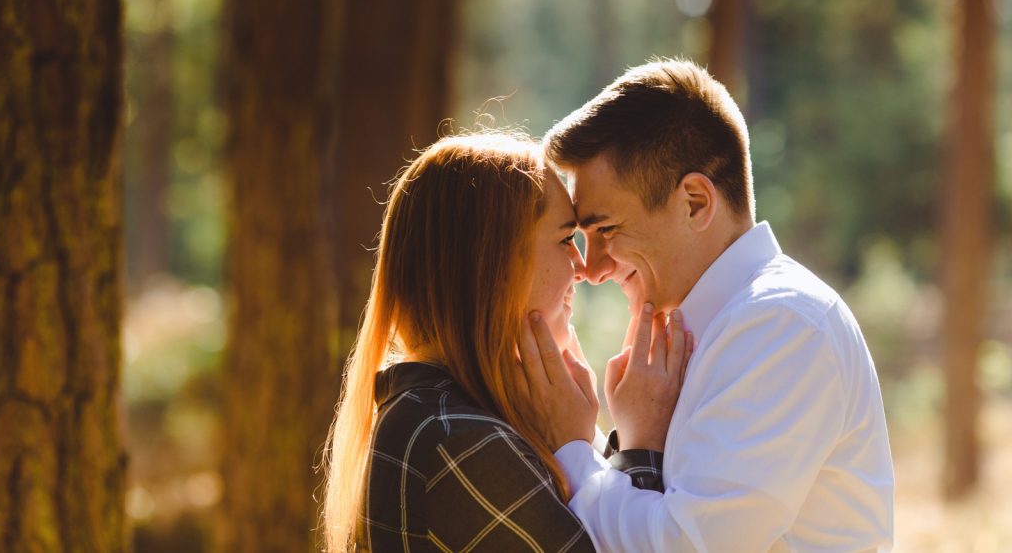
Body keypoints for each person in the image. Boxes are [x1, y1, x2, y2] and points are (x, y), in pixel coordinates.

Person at [516, 59, 895, 552]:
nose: (591, 269)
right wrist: (633, 444)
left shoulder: (781, 326)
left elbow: (686, 544)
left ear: (695, 202)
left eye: (606, 230)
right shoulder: (711, 332)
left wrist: (573, 448)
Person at [322, 132, 692, 552]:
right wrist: (641, 445)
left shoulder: (443, 413)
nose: (583, 268)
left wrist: (589, 439)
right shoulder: (457, 440)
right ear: (494, 263)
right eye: (566, 239)